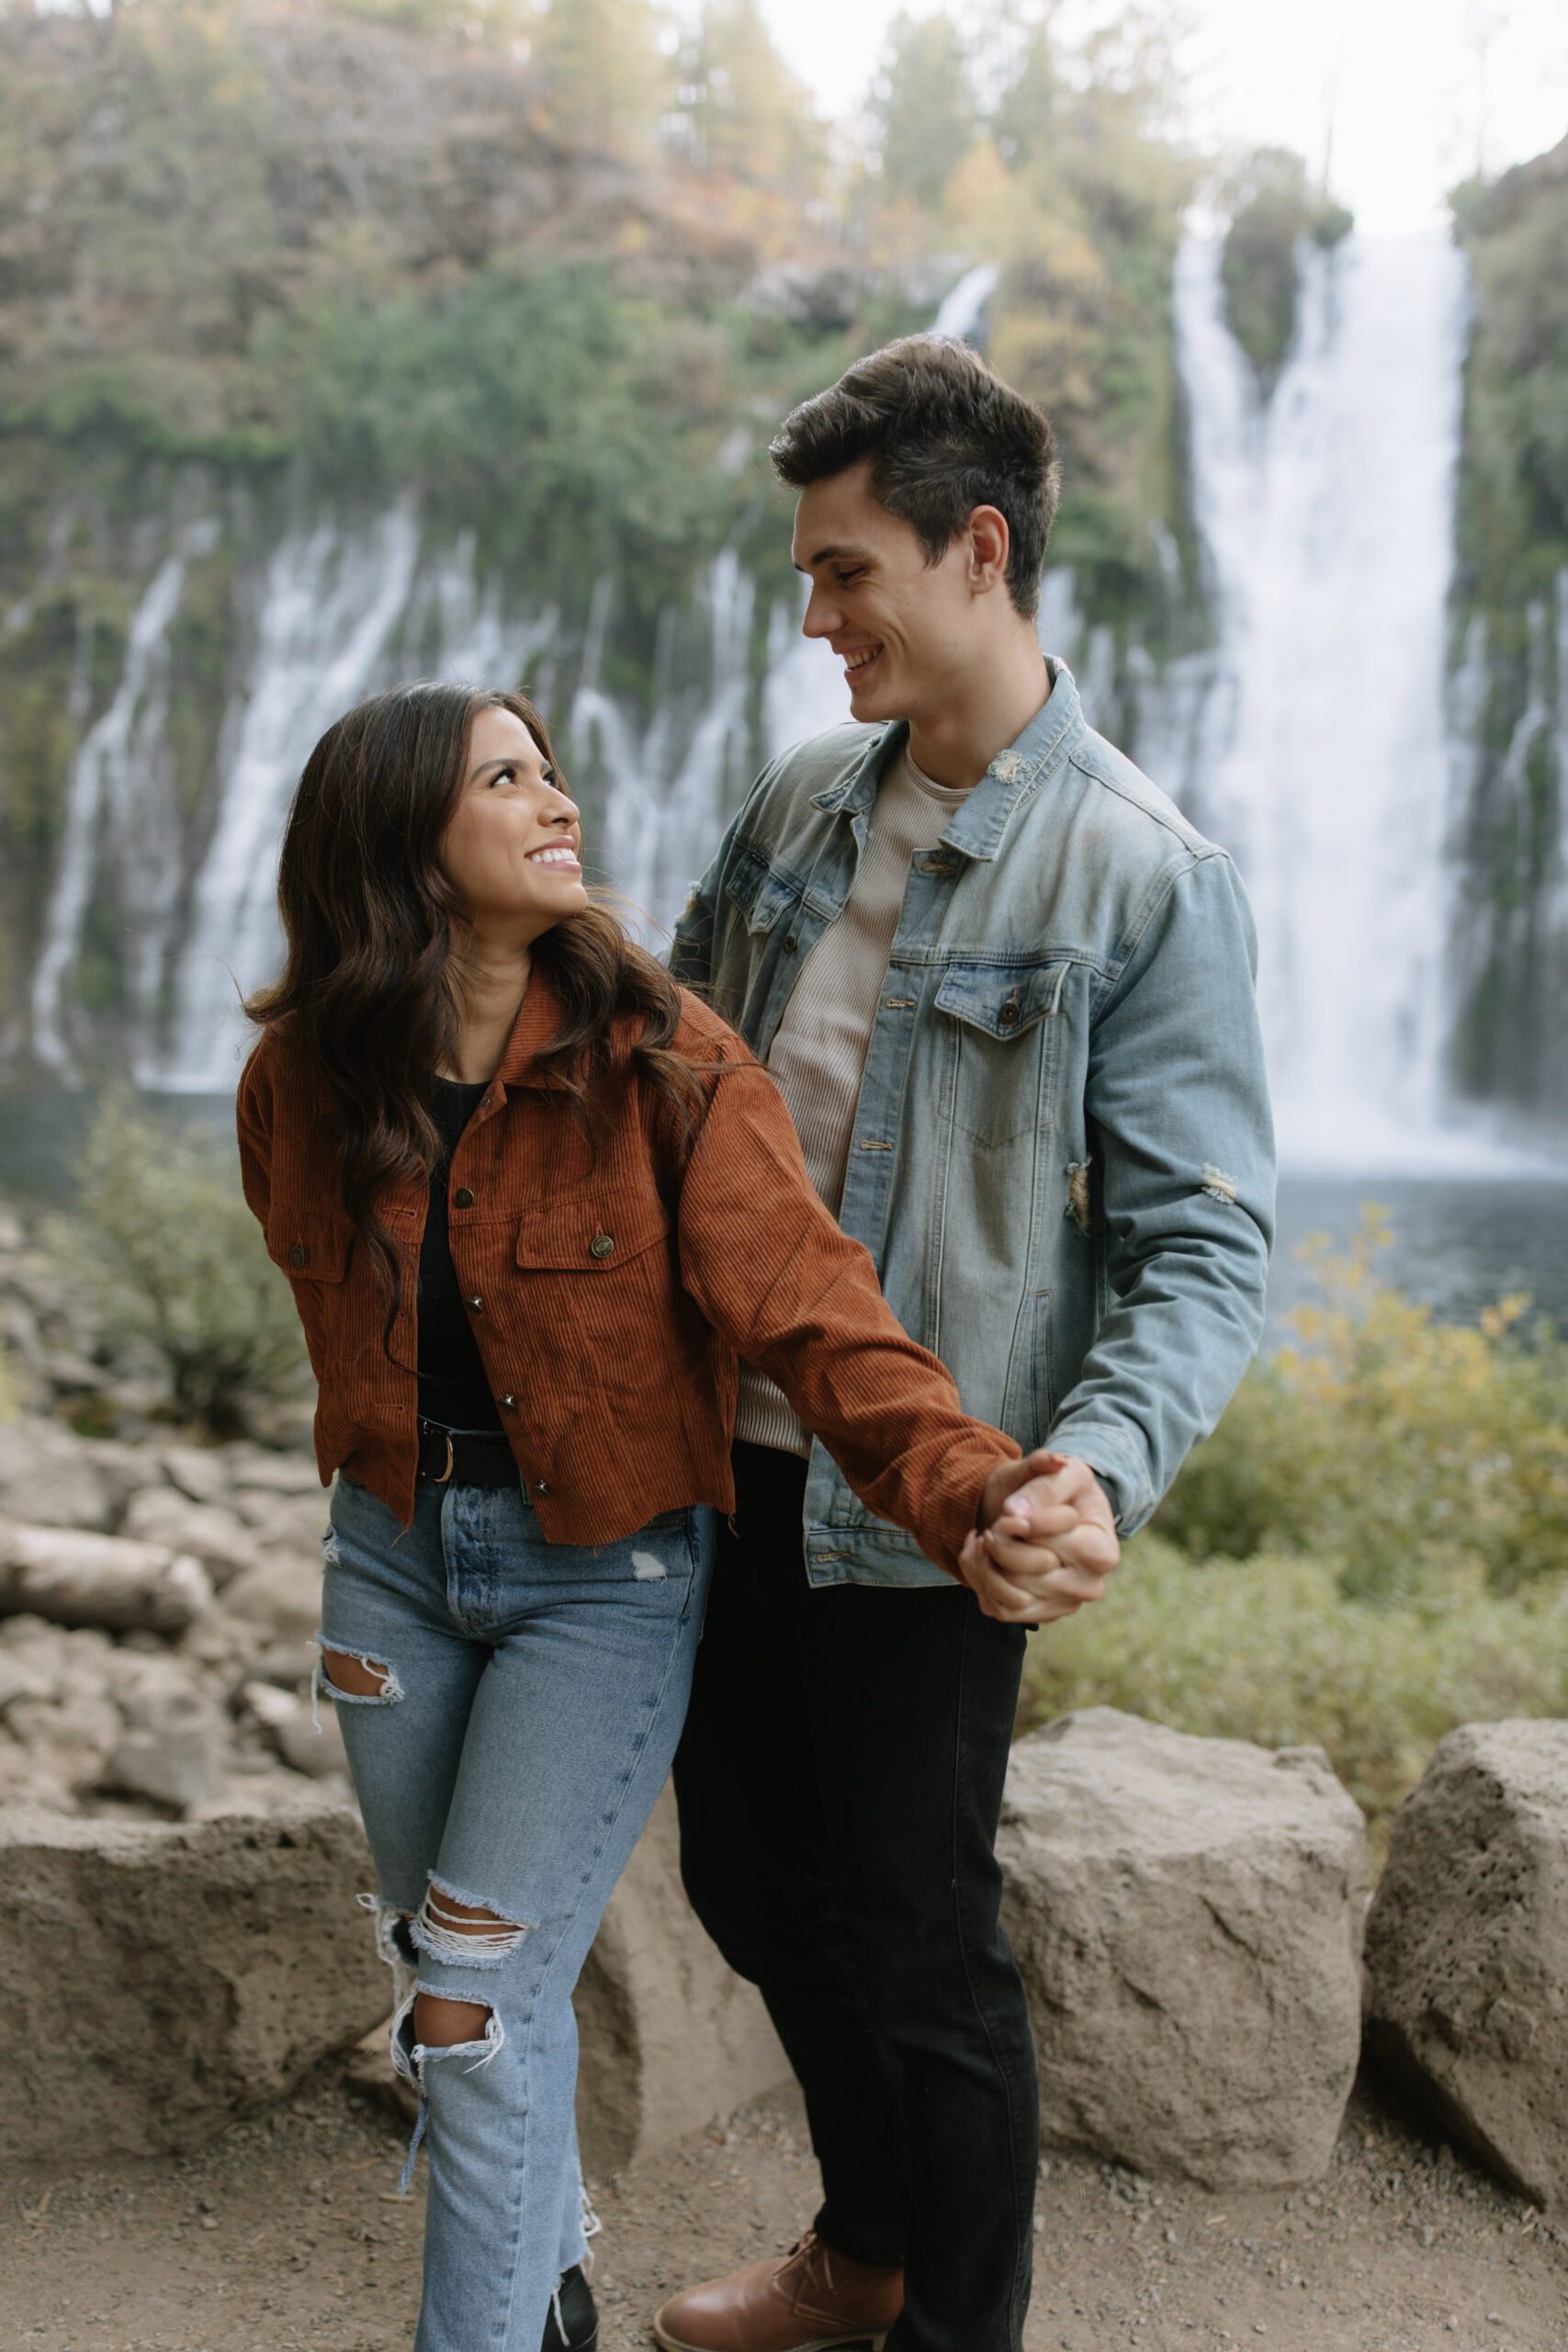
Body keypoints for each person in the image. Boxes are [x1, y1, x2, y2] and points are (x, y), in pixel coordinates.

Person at [235, 681, 1101, 2352]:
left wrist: (979, 1486)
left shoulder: (667, 1060)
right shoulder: (302, 1079)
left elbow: (816, 1315)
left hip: (602, 1583)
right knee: (451, 1976)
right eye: (506, 779)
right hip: (389, 1576)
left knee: (470, 2001)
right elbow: (323, 1293)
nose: (557, 800)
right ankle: (545, 2278)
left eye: (553, 770)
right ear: (394, 838)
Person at [655, 335, 1275, 2352]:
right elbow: (664, 1072)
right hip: (725, 1455)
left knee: (921, 1942)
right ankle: (868, 2251)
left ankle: (951, 2325)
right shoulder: (792, 804)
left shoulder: (1146, 874)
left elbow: (1204, 1243)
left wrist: (1095, 1464)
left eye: (845, 571)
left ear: (977, 550)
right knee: (751, 1881)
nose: (813, 616)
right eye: (809, 575)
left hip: (934, 1501)